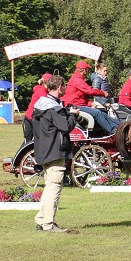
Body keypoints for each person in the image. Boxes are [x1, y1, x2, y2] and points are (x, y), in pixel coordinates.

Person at [32, 75, 78, 234]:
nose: (65, 89)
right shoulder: (53, 108)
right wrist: (73, 114)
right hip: (54, 151)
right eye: (64, 86)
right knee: (54, 187)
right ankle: (49, 224)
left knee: (48, 186)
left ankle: (41, 220)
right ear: (59, 87)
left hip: (42, 150)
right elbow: (65, 127)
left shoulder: (40, 105)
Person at [62, 60, 118, 134]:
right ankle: (112, 131)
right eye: (87, 69)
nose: (88, 71)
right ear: (84, 70)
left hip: (77, 104)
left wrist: (90, 103)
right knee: (97, 113)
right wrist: (103, 93)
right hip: (74, 106)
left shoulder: (78, 79)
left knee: (103, 113)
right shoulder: (77, 79)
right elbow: (90, 91)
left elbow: (81, 97)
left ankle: (119, 125)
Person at [23, 73, 52, 144]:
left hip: (30, 117)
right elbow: (47, 103)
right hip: (31, 118)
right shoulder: (41, 91)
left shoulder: (43, 90)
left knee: (29, 141)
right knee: (28, 142)